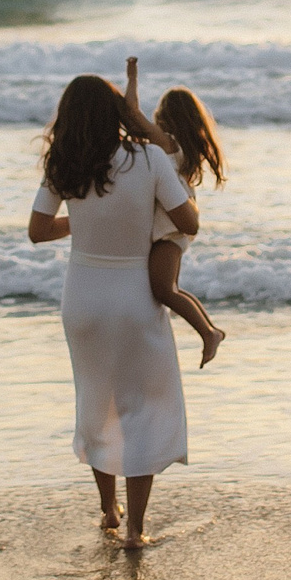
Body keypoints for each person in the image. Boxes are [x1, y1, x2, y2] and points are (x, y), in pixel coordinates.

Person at [29, 73, 200, 549]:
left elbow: (38, 230)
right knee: (141, 410)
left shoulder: (63, 163)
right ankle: (136, 529)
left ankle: (108, 509)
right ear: (116, 114)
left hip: (82, 297)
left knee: (97, 403)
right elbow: (189, 222)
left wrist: (83, 223)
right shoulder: (147, 159)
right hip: (132, 297)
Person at [124, 60, 226, 366]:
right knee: (170, 289)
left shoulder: (167, 144)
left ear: (166, 116)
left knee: (163, 290)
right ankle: (209, 330)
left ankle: (209, 333)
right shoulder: (179, 148)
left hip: (171, 227)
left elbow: (132, 116)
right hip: (175, 225)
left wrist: (132, 78)